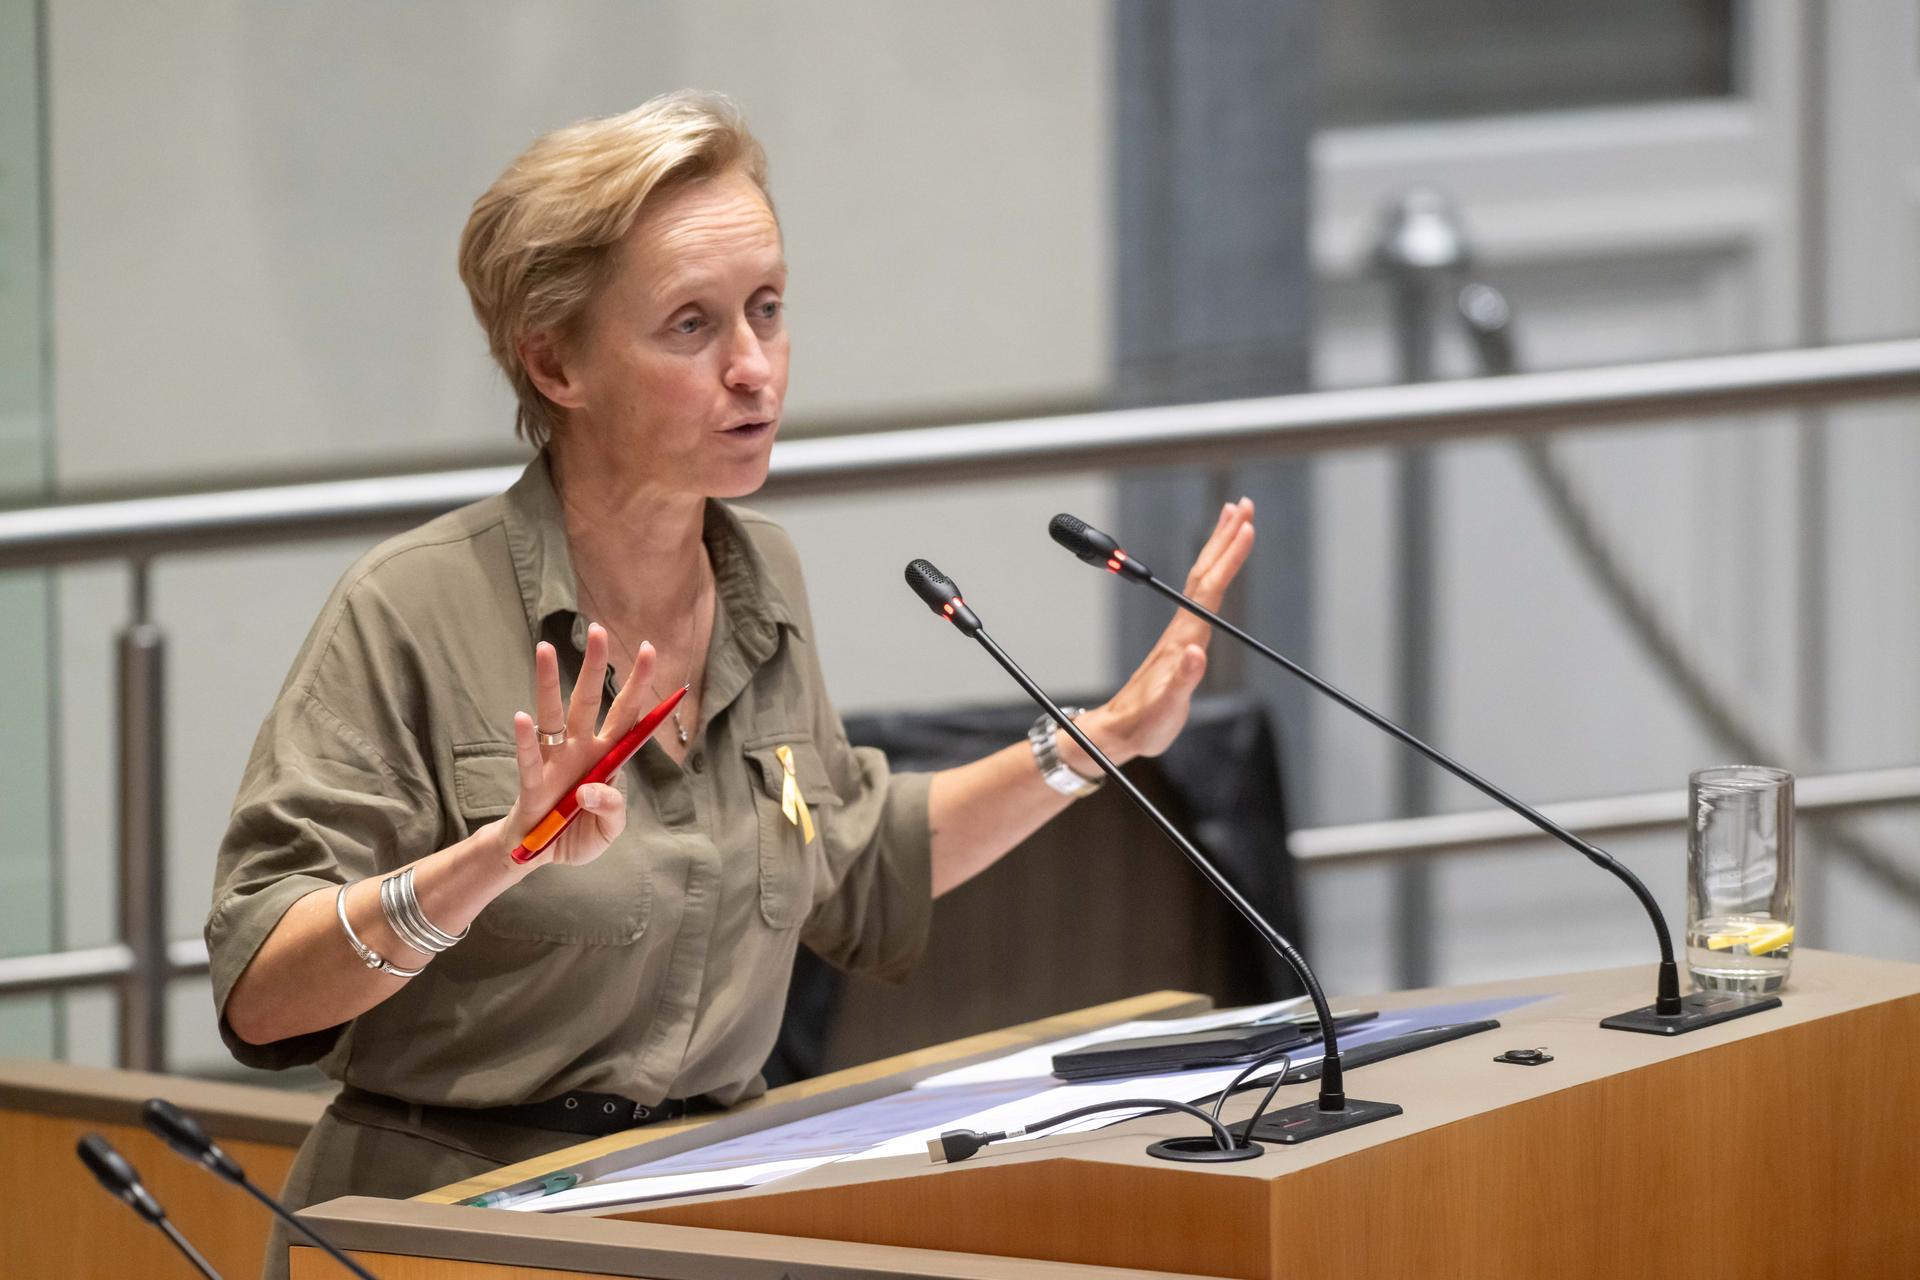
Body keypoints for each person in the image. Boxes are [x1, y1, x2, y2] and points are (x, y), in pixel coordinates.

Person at [207, 90, 1255, 1277]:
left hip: (701, 1211)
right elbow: (262, 990)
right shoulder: (412, 606)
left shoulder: (760, 575)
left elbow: (855, 861)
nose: (755, 369)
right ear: (557, 361)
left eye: (767, 309)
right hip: (444, 1228)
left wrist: (1103, 738)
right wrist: (493, 857)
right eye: (691, 326)